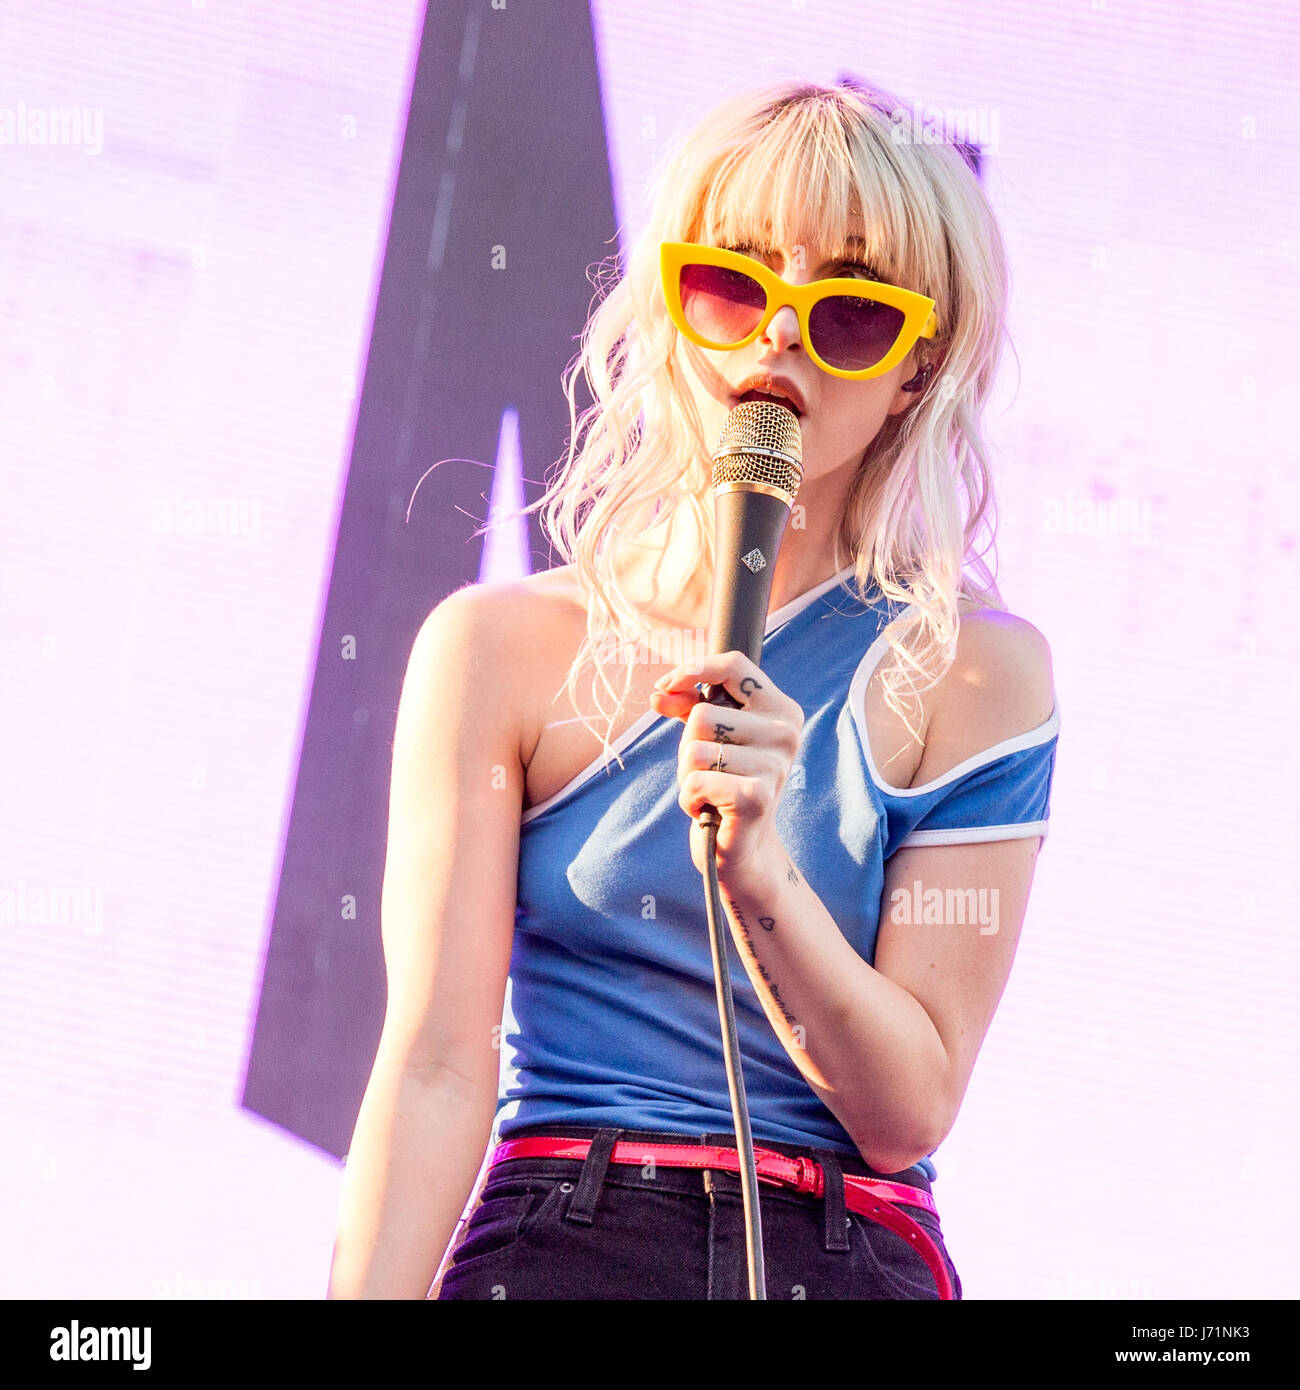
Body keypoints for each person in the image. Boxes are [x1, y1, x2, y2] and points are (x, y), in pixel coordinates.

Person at [327, 77, 1060, 1301]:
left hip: (843, 1243)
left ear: (916, 369)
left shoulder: (973, 667)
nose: (777, 333)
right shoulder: (498, 645)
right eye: (734, 282)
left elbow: (908, 1108)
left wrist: (763, 874)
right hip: (568, 1230)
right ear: (672, 307)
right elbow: (436, 1064)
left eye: (847, 313)